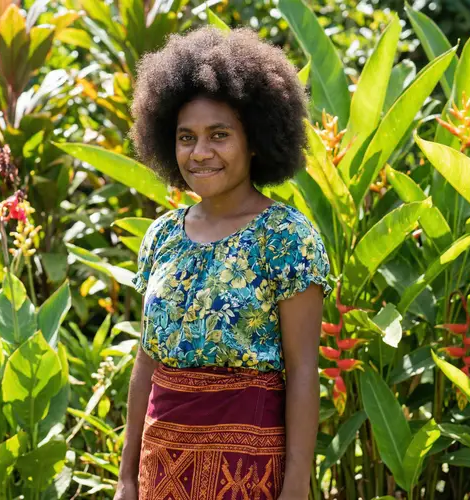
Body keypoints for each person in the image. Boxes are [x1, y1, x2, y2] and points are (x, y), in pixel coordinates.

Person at [115, 26, 332, 500]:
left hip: (247, 472)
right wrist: (127, 478)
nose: (200, 153)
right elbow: (146, 362)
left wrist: (295, 487)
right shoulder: (162, 237)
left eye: (219, 135)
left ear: (255, 140)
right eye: (186, 137)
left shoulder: (287, 238)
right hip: (161, 468)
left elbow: (302, 372)